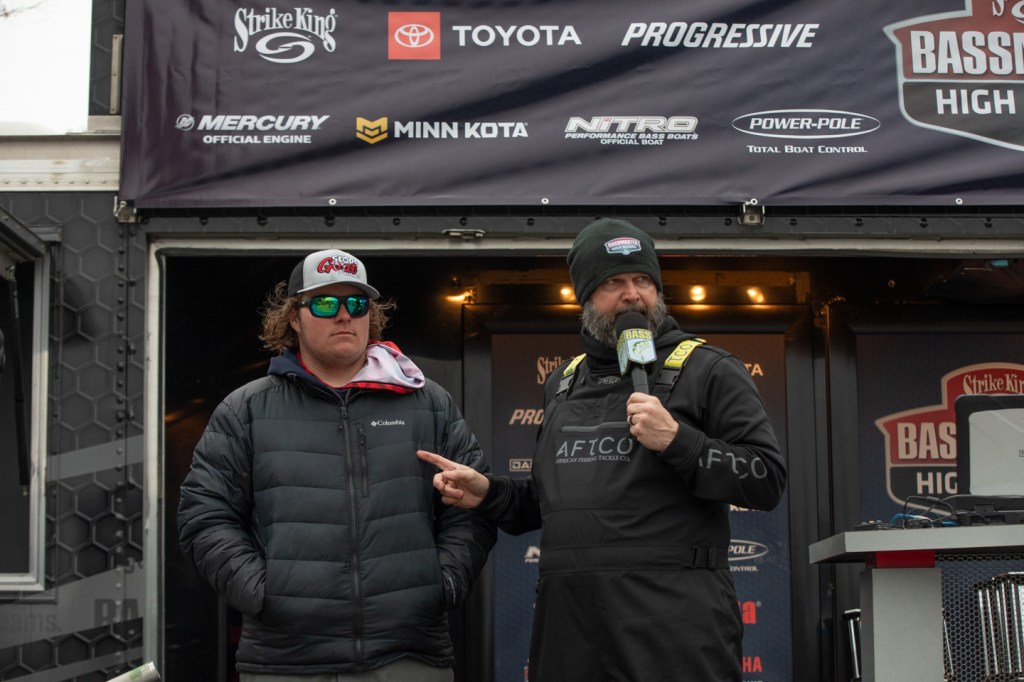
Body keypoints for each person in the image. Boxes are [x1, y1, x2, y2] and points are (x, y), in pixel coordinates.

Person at [418, 218, 787, 682]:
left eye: (643, 280)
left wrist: (679, 441)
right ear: (585, 296)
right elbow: (549, 501)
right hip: (571, 627)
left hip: (674, 625)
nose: (632, 295)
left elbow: (766, 478)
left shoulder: (708, 368)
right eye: (614, 283)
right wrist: (488, 493)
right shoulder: (563, 381)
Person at [178, 248, 497, 681]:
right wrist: (264, 594)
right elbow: (204, 516)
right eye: (325, 303)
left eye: (357, 303)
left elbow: (474, 506)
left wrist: (441, 585)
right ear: (294, 318)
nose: (344, 315)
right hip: (286, 661)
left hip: (408, 656)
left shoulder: (429, 403)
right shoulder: (246, 410)